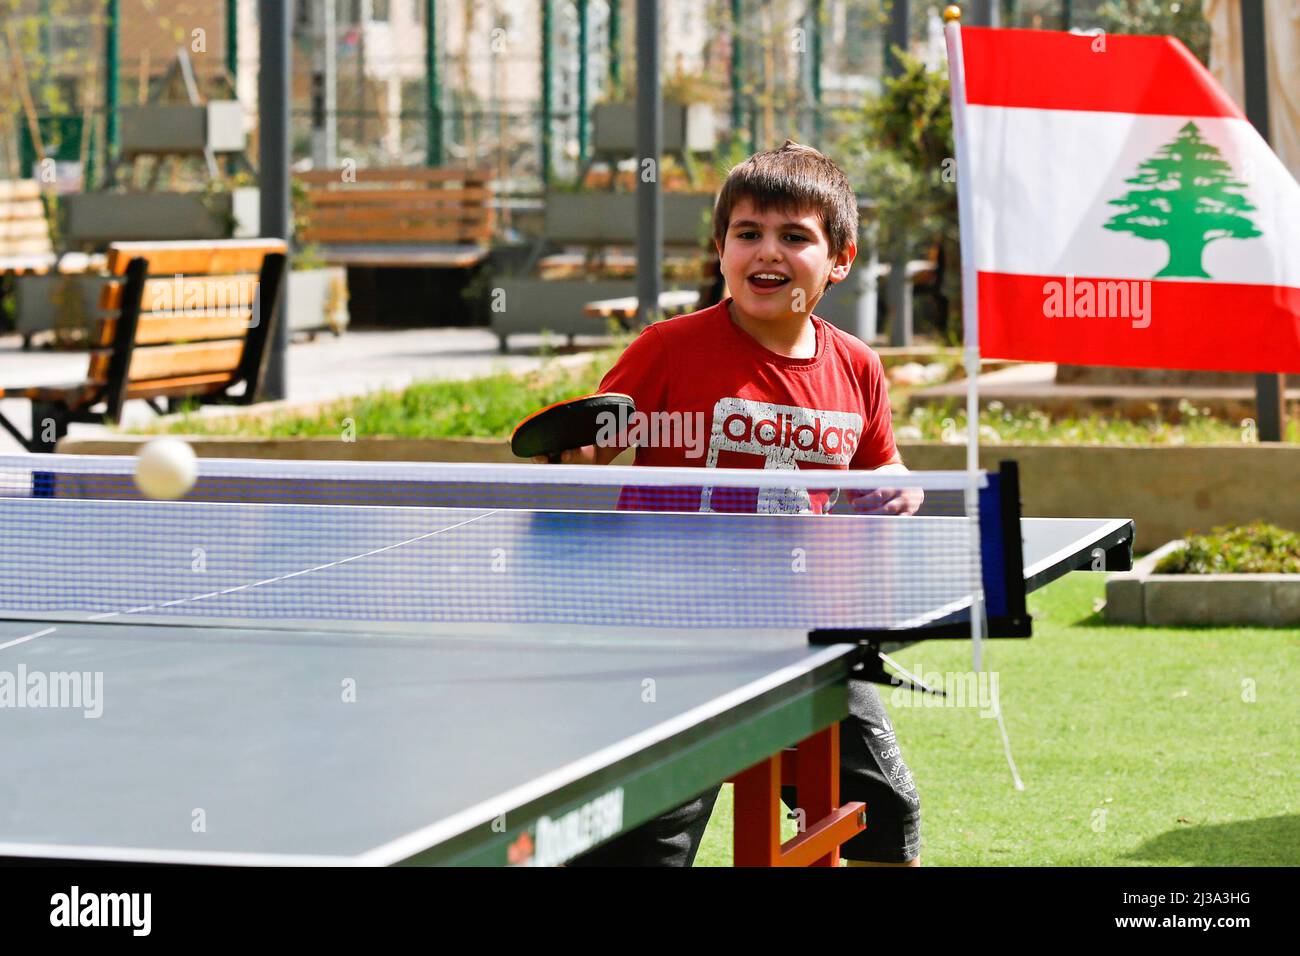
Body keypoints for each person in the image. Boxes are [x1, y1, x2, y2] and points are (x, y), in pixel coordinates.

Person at [542, 141, 924, 867]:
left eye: (793, 236)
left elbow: (883, 463)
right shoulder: (667, 350)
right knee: (642, 847)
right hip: (677, 636)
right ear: (721, 250)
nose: (765, 252)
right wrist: (580, 459)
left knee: (885, 813)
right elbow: (592, 449)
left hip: (807, 631)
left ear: (839, 259)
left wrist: (901, 483)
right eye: (747, 233)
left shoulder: (856, 366)